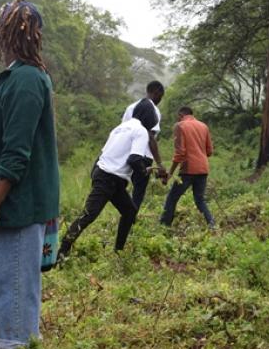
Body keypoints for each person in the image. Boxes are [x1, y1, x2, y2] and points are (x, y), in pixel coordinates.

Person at [0, 0, 60, 349]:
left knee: (15, 292)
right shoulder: (16, 77)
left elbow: (16, 153)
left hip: (17, 207)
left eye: (3, 28)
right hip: (6, 202)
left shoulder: (25, 80)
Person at [59, 103, 161, 257]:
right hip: (109, 178)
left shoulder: (119, 128)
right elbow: (134, 159)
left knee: (129, 211)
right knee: (89, 215)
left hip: (109, 176)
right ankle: (61, 252)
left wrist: (96, 175)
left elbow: (102, 154)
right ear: (149, 117)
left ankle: (118, 252)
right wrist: (144, 171)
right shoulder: (141, 131)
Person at [159, 106, 215, 228]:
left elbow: (180, 154)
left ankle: (163, 226)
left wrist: (170, 174)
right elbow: (209, 151)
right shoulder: (203, 126)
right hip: (203, 169)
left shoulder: (180, 126)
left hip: (188, 170)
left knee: (172, 198)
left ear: (180, 115)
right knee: (200, 200)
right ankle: (212, 225)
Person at [121, 81, 168, 212]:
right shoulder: (154, 109)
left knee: (122, 187)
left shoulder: (131, 107)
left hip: (128, 154)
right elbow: (150, 136)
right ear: (156, 93)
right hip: (143, 156)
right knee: (138, 192)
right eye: (161, 97)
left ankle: (125, 216)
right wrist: (159, 163)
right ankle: (130, 219)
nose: (159, 100)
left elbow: (124, 129)